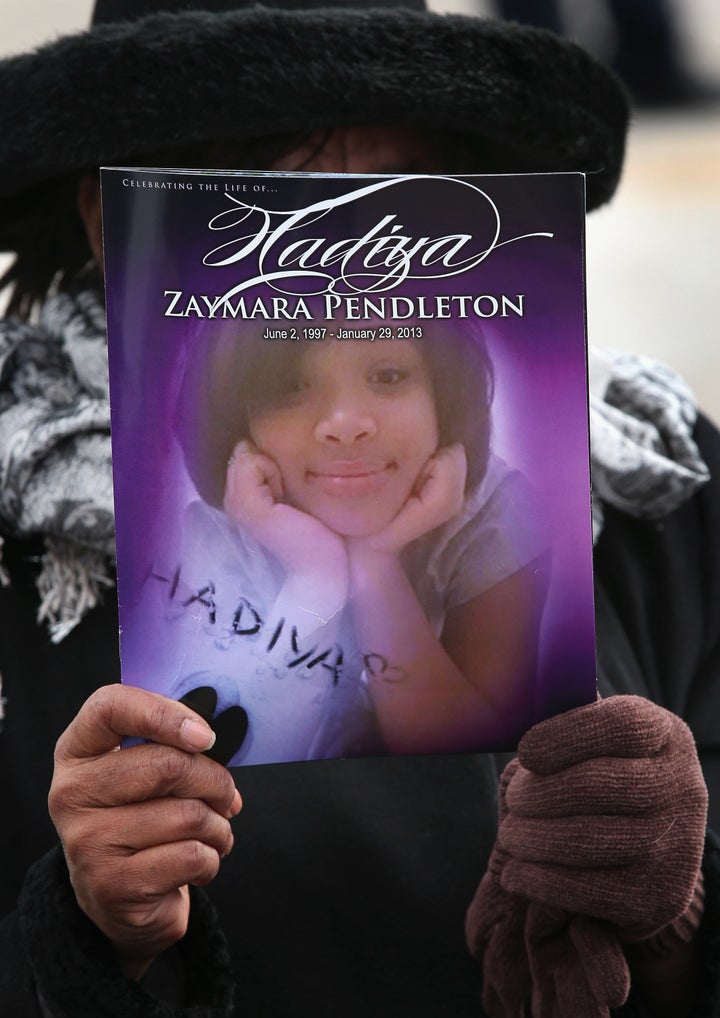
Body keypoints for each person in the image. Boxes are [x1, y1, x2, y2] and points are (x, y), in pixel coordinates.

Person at [0, 2, 718, 1017]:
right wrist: (80, 936)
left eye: (383, 211)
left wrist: (678, 914)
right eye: (263, 216)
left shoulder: (653, 486)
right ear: (107, 225)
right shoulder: (21, 537)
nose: (339, 274)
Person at [128, 314, 547, 766]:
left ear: (444, 395)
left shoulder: (496, 513)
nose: (345, 424)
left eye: (388, 376)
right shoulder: (204, 535)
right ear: (237, 418)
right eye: (290, 386)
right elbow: (237, 762)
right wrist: (316, 578)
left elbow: (475, 758)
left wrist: (376, 569)